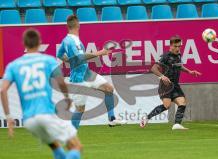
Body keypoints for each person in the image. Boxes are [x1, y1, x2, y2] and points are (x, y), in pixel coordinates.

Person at [0, 28, 82, 159]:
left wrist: (9, 117)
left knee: (55, 146)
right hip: (46, 114)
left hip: (29, 121)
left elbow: (3, 90)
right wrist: (67, 99)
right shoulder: (48, 60)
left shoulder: (13, 65)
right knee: (76, 147)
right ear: (40, 42)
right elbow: (61, 83)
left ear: (24, 44)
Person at [57, 15, 126, 128]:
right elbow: (80, 57)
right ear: (78, 24)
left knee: (108, 88)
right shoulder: (72, 40)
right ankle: (70, 135)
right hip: (78, 78)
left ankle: (111, 118)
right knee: (80, 109)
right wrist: (100, 53)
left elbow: (59, 55)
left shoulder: (66, 40)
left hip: (88, 74)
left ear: (67, 26)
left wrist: (71, 61)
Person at [140, 35, 202, 130]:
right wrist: (162, 76)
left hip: (175, 85)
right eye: (176, 46)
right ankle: (147, 118)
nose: (178, 48)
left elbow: (179, 66)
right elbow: (153, 68)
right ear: (171, 46)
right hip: (166, 86)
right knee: (167, 106)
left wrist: (189, 71)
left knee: (182, 103)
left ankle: (177, 124)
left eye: (179, 46)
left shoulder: (178, 55)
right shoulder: (165, 56)